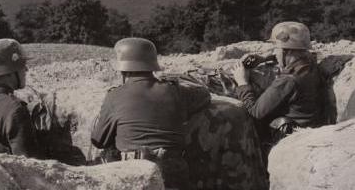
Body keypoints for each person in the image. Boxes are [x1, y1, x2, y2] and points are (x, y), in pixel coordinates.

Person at [91, 37, 211, 190]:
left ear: (123, 69)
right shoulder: (176, 91)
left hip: (133, 173)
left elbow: (98, 141)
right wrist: (175, 80)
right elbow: (205, 95)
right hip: (173, 171)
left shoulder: (115, 96)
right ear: (152, 65)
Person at [233, 22, 324, 154]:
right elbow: (296, 56)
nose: (274, 52)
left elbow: (256, 111)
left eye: (276, 48)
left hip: (292, 136)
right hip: (310, 125)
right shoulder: (310, 63)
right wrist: (264, 58)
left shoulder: (289, 79)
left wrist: (242, 82)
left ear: (286, 50)